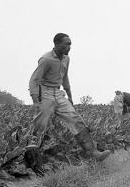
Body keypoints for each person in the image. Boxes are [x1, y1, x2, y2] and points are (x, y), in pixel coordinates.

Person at [28, 33, 110, 161]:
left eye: (70, 44)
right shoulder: (46, 59)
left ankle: (92, 153)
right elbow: (34, 80)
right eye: (66, 44)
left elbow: (65, 77)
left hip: (58, 93)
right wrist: (36, 101)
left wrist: (70, 97)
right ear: (56, 44)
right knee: (40, 124)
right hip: (44, 92)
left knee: (75, 120)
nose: (69, 46)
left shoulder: (66, 59)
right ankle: (31, 158)